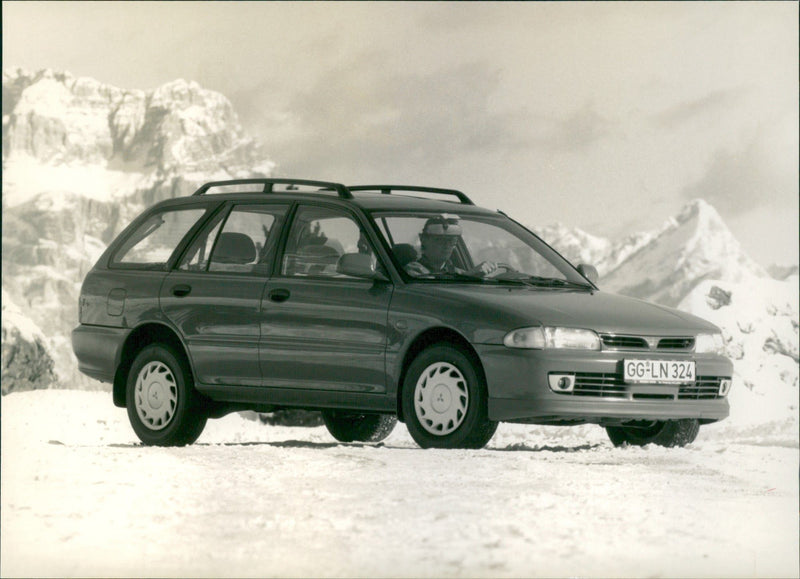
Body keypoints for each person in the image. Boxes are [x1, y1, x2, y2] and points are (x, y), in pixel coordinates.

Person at [405, 216, 498, 277]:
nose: (447, 245)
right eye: (440, 240)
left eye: (451, 240)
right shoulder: (413, 271)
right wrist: (468, 277)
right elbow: (433, 293)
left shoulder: (459, 272)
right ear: (423, 239)